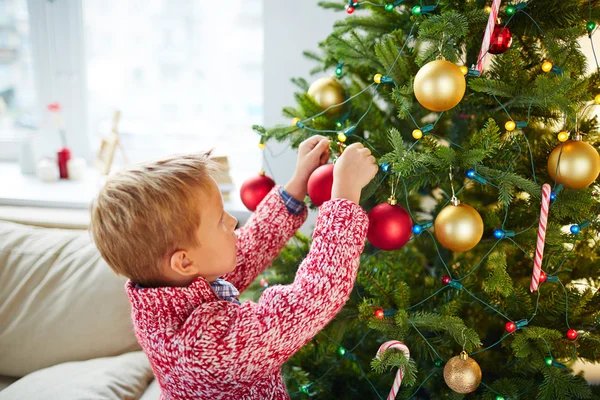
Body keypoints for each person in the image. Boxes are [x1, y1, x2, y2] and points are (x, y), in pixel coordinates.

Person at [89, 136, 378, 399]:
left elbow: (250, 246)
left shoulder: (172, 289)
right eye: (219, 220)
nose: (232, 222)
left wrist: (298, 182)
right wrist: (344, 196)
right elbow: (312, 298)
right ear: (184, 261)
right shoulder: (204, 349)